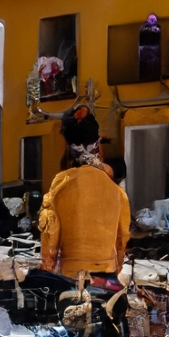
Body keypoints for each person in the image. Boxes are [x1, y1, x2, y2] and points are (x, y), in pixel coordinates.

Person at [38, 107, 131, 277]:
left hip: (72, 273)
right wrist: (117, 268)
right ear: (97, 142)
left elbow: (50, 229)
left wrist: (47, 268)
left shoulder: (61, 182)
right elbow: (122, 237)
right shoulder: (117, 192)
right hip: (106, 274)